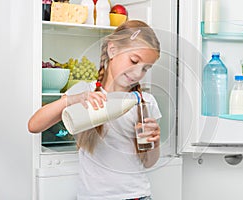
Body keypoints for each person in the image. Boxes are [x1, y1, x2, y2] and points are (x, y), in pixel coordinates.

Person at [28, 20, 162, 200]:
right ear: (112, 50)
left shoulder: (146, 103)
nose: (138, 74)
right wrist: (74, 99)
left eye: (145, 68)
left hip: (137, 196)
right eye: (134, 61)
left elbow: (148, 162)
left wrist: (155, 142)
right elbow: (34, 125)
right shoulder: (85, 93)